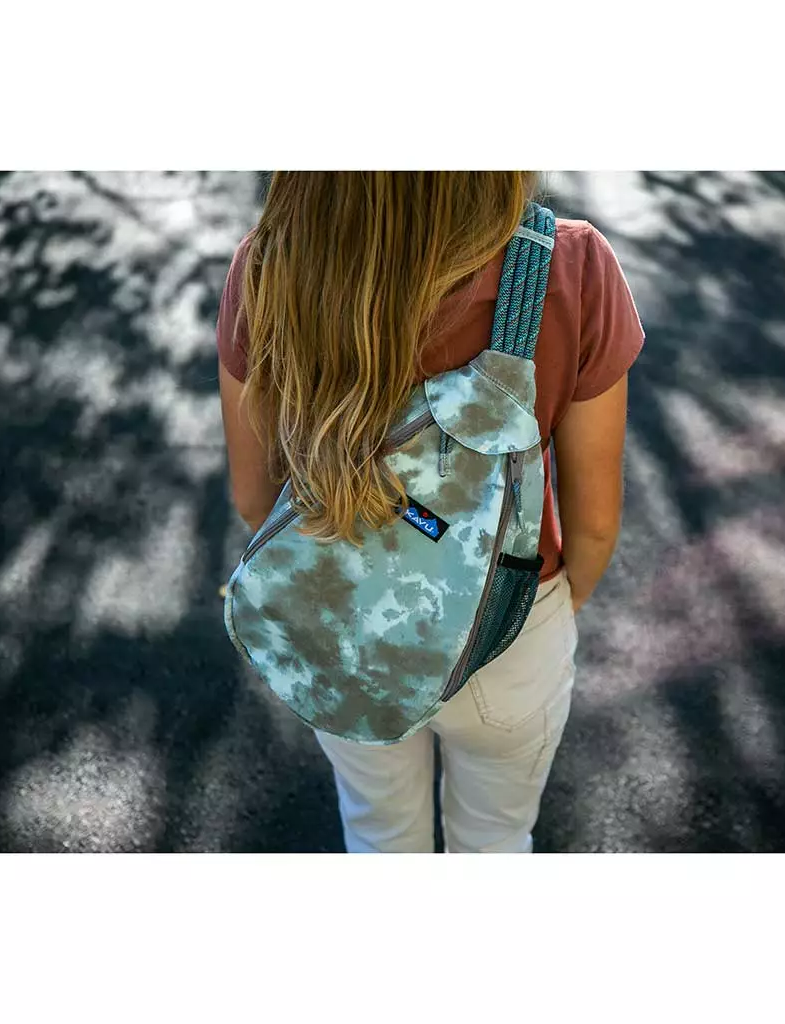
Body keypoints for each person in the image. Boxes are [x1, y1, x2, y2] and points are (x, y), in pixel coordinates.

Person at [216, 172, 644, 853]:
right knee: (495, 843)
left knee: (380, 833)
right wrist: (549, 613)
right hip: (507, 625)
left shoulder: (269, 265)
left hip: (338, 612)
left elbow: (252, 496)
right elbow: (594, 524)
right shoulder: (567, 264)